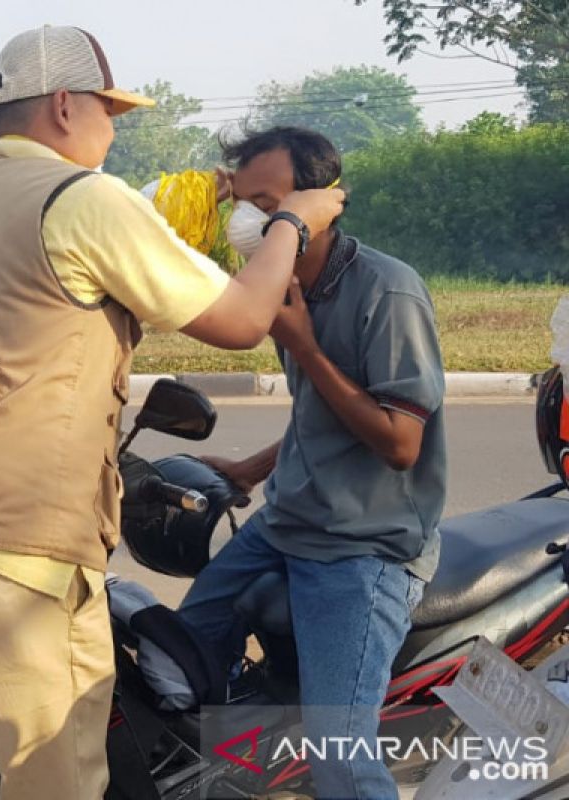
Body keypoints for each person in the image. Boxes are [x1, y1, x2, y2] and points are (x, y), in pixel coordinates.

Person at [0, 25, 345, 800]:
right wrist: (290, 221)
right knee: (58, 778)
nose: (115, 131)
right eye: (112, 112)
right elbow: (244, 321)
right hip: (7, 560)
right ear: (68, 105)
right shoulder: (83, 199)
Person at [180, 127, 447, 800]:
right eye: (243, 202)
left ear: (318, 207)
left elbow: (399, 442)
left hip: (363, 546)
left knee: (340, 761)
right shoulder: (283, 285)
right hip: (286, 523)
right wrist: (252, 468)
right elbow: (319, 415)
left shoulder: (387, 292)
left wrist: (303, 347)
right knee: (177, 650)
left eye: (267, 203)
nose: (250, 222)